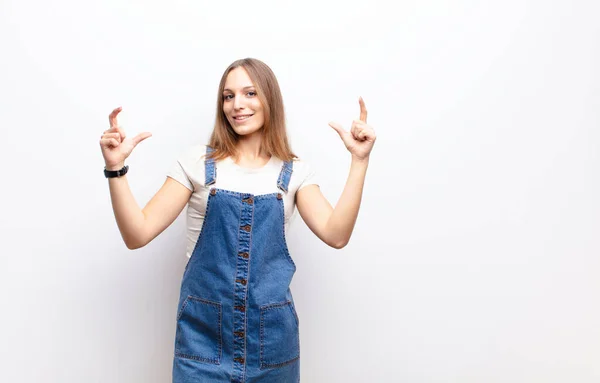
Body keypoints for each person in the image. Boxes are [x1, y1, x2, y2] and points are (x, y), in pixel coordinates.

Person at [99, 58, 376, 382]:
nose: (237, 105)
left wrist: (359, 160)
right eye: (228, 96)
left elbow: (336, 234)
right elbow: (137, 234)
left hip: (273, 346)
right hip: (201, 345)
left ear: (269, 99)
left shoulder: (295, 171)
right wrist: (115, 169)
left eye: (249, 93)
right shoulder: (198, 163)